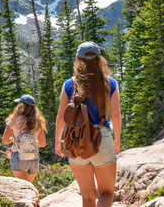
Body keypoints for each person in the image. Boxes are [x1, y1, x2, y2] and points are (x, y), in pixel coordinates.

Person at [55, 41, 122, 207]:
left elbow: (62, 116)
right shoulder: (110, 83)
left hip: (76, 142)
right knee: (106, 194)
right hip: (102, 139)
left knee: (87, 197)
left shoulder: (69, 84)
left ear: (78, 60)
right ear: (99, 59)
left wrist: (58, 141)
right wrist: (117, 139)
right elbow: (115, 115)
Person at [2, 94, 47, 183]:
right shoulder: (38, 122)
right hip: (33, 158)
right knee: (29, 186)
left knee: (23, 189)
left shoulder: (14, 120)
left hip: (19, 157)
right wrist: (30, 143)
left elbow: (5, 141)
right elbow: (42, 143)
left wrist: (15, 140)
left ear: (20, 106)